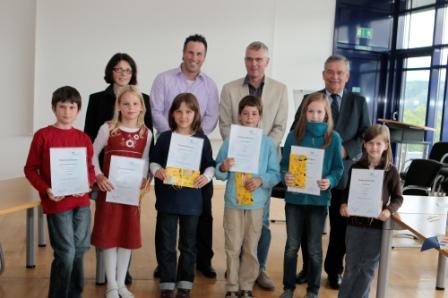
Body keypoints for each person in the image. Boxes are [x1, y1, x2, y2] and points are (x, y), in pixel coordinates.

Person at [291, 55, 371, 289]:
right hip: (312, 176)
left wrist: (347, 150)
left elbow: (366, 133)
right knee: (310, 225)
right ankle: (308, 268)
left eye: (339, 73)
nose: (335, 76)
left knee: (340, 227)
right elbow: (297, 129)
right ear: (323, 74)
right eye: (330, 72)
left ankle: (334, 270)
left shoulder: (359, 102)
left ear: (347, 76)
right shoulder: (310, 99)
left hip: (345, 174)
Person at [219, 41, 288, 290]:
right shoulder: (229, 89)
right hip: (237, 166)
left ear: (266, 62)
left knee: (261, 225)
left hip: (262, 168)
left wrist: (261, 148)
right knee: (234, 234)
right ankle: (233, 275)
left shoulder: (280, 90)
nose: (254, 63)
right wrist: (239, 145)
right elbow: (225, 123)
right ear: (245, 60)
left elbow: (280, 126)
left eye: (259, 59)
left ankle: (258, 270)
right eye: (249, 59)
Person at [150, 34, 219, 278]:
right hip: (168, 152)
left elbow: (212, 116)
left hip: (197, 153)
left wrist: (193, 136)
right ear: (183, 52)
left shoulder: (210, 85)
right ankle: (165, 264)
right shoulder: (164, 79)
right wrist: (176, 135)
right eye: (191, 52)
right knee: (166, 216)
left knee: (202, 213)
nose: (194, 57)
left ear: (204, 57)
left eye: (199, 54)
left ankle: (201, 261)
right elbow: (156, 110)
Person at [84, 52, 153, 285]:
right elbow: (89, 144)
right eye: (118, 69)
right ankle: (107, 278)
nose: (123, 73)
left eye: (128, 69)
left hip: (130, 184)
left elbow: (145, 152)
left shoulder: (144, 108)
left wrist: (145, 179)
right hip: (106, 179)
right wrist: (98, 176)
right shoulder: (98, 104)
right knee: (106, 229)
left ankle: (120, 280)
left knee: (126, 231)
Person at [24, 86, 95, 298]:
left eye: (71, 107)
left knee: (80, 250)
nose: (66, 112)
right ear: (54, 108)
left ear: (78, 110)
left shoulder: (83, 138)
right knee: (66, 253)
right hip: (57, 202)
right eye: (62, 107)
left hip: (81, 202)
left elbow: (90, 169)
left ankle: (74, 294)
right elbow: (30, 169)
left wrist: (87, 183)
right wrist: (46, 190)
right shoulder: (43, 136)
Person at [150, 93, 215, 298]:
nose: (183, 116)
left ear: (195, 114)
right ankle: (167, 284)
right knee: (167, 244)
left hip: (191, 202)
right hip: (168, 200)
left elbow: (209, 165)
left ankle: (185, 284)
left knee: (188, 245)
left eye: (188, 111)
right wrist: (156, 170)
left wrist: (206, 176)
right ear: (172, 114)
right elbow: (154, 161)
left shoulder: (202, 139)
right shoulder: (165, 138)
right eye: (178, 111)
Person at [215, 96, 281, 298]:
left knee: (251, 247)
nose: (249, 117)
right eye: (245, 113)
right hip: (233, 201)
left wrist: (261, 180)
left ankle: (246, 286)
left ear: (259, 117)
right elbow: (218, 171)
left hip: (256, 202)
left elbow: (275, 174)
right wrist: (224, 167)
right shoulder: (229, 142)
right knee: (232, 246)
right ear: (239, 116)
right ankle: (232, 287)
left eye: (254, 114)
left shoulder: (267, 144)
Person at [280, 92, 344, 298]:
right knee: (291, 246)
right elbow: (284, 166)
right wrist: (286, 176)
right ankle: (288, 288)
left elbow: (338, 169)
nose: (315, 115)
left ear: (326, 114)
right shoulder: (293, 136)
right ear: (304, 113)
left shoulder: (333, 138)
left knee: (315, 249)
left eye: (319, 111)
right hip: (295, 201)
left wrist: (330, 181)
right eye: (310, 111)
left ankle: (313, 290)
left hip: (318, 202)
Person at [338, 124, 403, 298]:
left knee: (367, 269)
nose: (374, 147)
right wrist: (344, 204)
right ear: (364, 145)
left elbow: (398, 198)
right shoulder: (355, 167)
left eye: (379, 144)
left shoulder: (391, 171)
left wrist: (389, 211)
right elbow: (347, 192)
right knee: (351, 266)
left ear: (386, 146)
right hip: (354, 225)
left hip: (376, 227)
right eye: (371, 143)